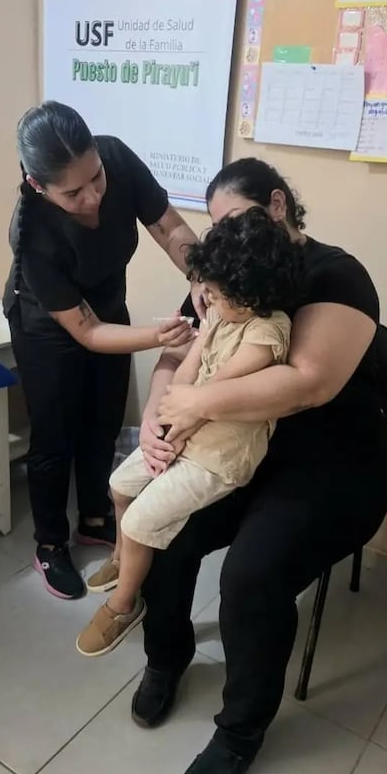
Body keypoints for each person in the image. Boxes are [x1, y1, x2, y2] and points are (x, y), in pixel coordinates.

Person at [127, 158, 387, 774]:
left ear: (277, 206)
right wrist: (155, 419)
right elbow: (177, 353)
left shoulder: (335, 274)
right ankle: (166, 655)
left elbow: (311, 383)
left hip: (334, 462)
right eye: (215, 228)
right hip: (243, 449)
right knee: (164, 524)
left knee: (250, 574)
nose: (220, 240)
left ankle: (241, 728)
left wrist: (196, 406)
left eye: (233, 222)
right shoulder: (231, 265)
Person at [3, 101, 206, 601]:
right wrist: (160, 337)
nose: (92, 196)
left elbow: (171, 229)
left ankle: (95, 516)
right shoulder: (33, 235)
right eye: (72, 192)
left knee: (104, 417)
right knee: (55, 435)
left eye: (95, 178)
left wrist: (202, 275)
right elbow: (88, 333)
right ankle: (50, 543)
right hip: (50, 328)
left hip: (108, 308)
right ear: (38, 185)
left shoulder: (116, 159)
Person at [76, 210, 300, 657]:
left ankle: (125, 606)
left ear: (250, 294)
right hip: (186, 428)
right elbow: (184, 380)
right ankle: (123, 560)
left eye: (215, 293)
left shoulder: (268, 331)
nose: (206, 300)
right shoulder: (220, 314)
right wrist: (164, 430)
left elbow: (216, 396)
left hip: (220, 454)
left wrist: (174, 432)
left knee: (141, 521)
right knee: (118, 487)